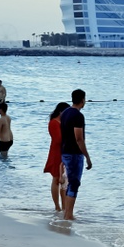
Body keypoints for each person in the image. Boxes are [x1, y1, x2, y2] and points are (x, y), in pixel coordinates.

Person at [59, 90, 92, 220]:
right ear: (82, 100)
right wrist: (87, 157)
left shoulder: (65, 113)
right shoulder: (78, 116)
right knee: (74, 183)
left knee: (70, 183)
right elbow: (79, 138)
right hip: (74, 153)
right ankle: (69, 214)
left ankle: (67, 213)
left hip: (65, 151)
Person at [44, 102, 68, 210]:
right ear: (60, 111)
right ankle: (57, 206)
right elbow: (58, 139)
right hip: (56, 152)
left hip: (63, 151)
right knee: (56, 178)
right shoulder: (54, 123)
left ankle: (63, 205)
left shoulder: (62, 122)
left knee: (63, 178)